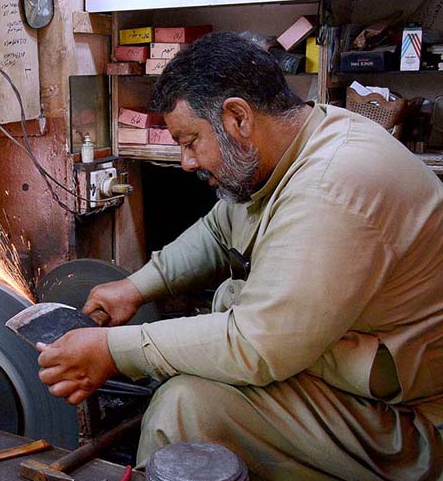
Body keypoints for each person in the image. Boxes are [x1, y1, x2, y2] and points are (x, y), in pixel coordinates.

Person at [36, 31, 443, 480]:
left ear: (238, 118)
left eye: (191, 142)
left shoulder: (332, 186)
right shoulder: (300, 144)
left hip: (410, 427)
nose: (187, 162)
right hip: (351, 382)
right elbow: (220, 226)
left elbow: (255, 344)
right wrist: (136, 287)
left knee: (183, 407)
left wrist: (114, 350)